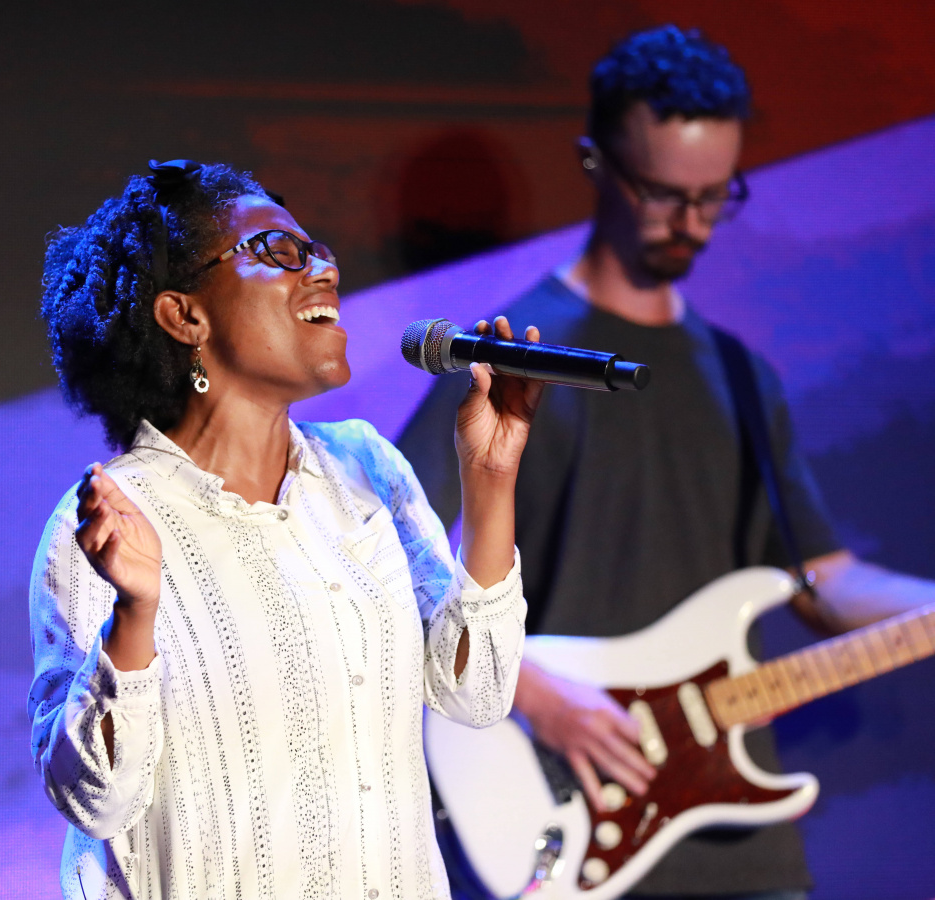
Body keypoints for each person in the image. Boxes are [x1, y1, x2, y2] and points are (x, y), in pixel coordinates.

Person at [399, 25, 935, 900]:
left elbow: (819, 578)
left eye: (715, 196)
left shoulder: (742, 376)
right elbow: (385, 554)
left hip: (742, 839)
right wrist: (533, 695)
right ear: (596, 163)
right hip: (570, 813)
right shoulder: (514, 353)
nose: (691, 221)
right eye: (662, 192)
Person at [28, 158, 542, 899]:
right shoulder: (110, 519)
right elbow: (95, 800)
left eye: (317, 249)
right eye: (278, 251)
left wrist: (490, 478)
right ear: (184, 315)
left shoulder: (365, 466)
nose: (324, 269)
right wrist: (134, 615)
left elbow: (476, 694)